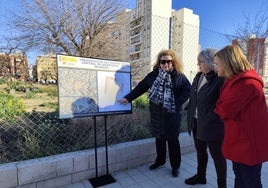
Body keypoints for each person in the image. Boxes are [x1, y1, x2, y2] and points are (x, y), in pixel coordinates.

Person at [119, 49, 191, 177]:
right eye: (163, 61)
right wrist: (128, 98)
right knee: (159, 138)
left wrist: (176, 103)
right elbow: (141, 87)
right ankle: (160, 161)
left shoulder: (179, 76)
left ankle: (175, 166)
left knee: (173, 140)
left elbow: (187, 90)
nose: (166, 64)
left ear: (173, 62)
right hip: (157, 113)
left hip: (172, 114)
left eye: (169, 61)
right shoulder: (153, 75)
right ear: (159, 62)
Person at [214, 44, 268, 188]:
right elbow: (220, 103)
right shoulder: (232, 81)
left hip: (249, 145)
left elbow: (224, 110)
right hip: (239, 141)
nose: (215, 67)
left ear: (227, 62)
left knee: (250, 181)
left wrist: (221, 106)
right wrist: (221, 106)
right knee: (239, 177)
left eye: (217, 63)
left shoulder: (247, 83)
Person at [184, 48, 227, 188]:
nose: (198, 64)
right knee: (200, 151)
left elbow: (223, 104)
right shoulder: (198, 76)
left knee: (218, 157)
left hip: (212, 125)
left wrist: (210, 117)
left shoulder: (220, 79)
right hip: (197, 122)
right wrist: (189, 109)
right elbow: (194, 95)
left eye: (200, 62)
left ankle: (222, 185)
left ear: (209, 62)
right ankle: (200, 176)